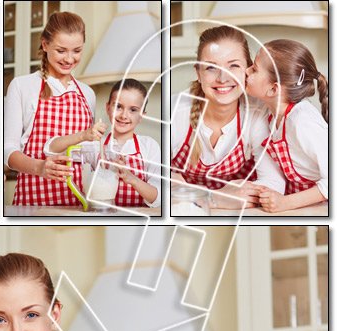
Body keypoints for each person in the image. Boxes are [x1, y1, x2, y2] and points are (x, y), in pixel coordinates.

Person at [171, 25, 286, 208]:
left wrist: (188, 191)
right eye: (210, 68)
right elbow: (156, 184)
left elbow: (274, 184)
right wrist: (216, 198)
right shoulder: (175, 110)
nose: (223, 78)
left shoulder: (258, 112)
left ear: (248, 71)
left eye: (233, 65)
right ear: (198, 74)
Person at [4, 11, 95, 207]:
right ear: (45, 45)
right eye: (61, 51)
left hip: (75, 202)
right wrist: (40, 167)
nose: (69, 59)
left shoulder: (87, 94)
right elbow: (7, 151)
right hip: (31, 202)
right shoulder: (21, 86)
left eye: (77, 51)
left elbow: (87, 152)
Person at [47, 78, 160, 208]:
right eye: (118, 106)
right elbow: (51, 149)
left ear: (142, 116)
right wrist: (83, 135)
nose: (124, 115)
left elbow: (158, 198)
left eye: (133, 110)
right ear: (108, 108)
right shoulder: (96, 146)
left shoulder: (149, 146)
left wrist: (131, 179)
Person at [245, 40, 328, 212]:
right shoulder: (272, 116)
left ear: (274, 90)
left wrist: (286, 203)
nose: (246, 71)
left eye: (254, 68)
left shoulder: (302, 121)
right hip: (306, 209)